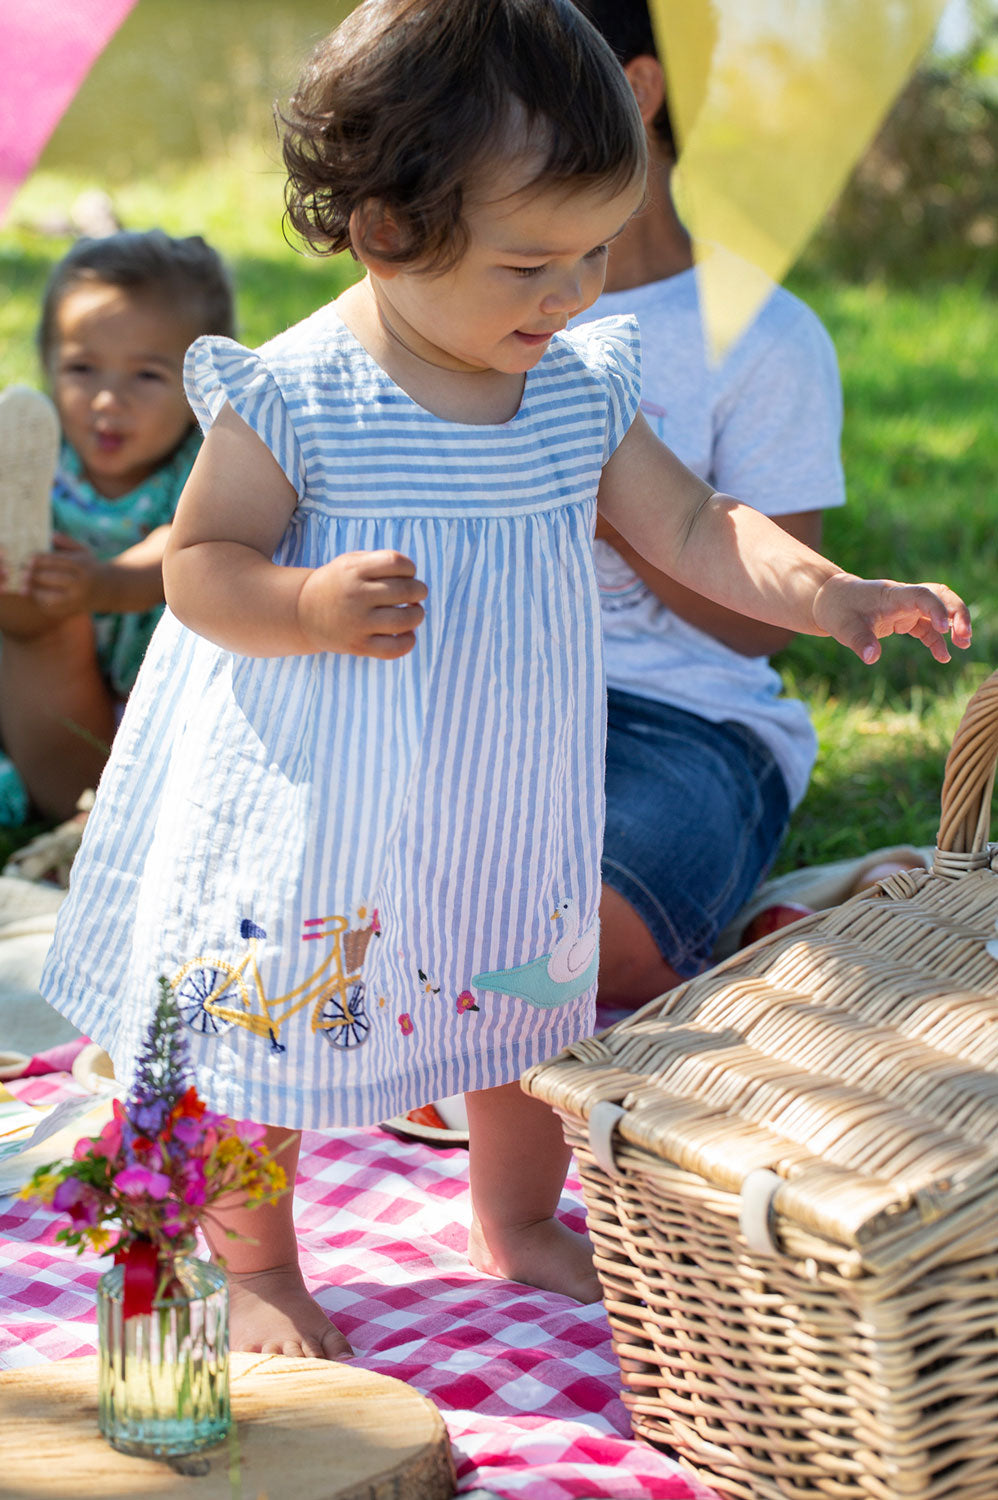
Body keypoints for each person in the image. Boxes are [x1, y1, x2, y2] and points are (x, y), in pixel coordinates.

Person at [40, 0, 969, 1362]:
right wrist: (300, 599)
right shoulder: (297, 392)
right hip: (317, 795)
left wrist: (828, 595)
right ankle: (259, 1262)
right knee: (266, 1040)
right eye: (532, 262)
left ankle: (518, 1222)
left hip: (504, 778)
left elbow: (701, 531)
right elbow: (200, 567)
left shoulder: (577, 386)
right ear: (384, 234)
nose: (571, 293)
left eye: (595, 251)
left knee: (520, 1007)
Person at [572, 0, 846, 1007]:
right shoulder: (472, 312)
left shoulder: (761, 338)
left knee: (571, 946)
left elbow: (751, 629)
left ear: (632, 91)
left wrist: (609, 502)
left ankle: (692, 924)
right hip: (488, 697)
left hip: (684, 725)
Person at [0, 230, 235, 825]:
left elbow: (180, 548)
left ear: (198, 386)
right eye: (82, 368)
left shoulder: (208, 460)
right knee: (29, 612)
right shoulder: (38, 463)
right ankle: (30, 783)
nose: (108, 399)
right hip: (44, 693)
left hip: (150, 717)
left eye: (147, 377)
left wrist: (104, 582)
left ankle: (89, 814)